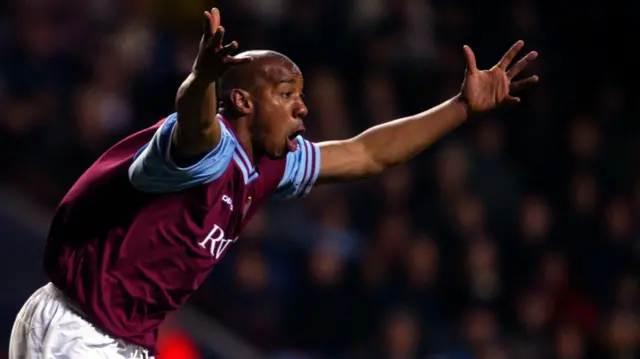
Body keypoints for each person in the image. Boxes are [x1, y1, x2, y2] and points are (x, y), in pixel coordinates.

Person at [8, 7, 538, 359]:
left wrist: (460, 108)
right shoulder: (201, 151)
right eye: (287, 94)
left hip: (120, 339)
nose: (302, 107)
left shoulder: (271, 165)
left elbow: (367, 152)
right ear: (241, 102)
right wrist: (201, 80)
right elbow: (193, 119)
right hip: (75, 328)